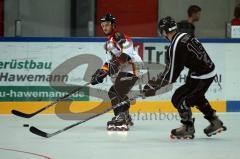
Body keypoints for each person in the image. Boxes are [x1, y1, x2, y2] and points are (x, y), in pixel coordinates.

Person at [143, 16, 226, 139]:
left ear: (164, 32)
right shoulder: (184, 36)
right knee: (195, 96)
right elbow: (176, 68)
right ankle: (215, 121)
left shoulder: (175, 46)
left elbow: (171, 76)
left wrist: (153, 87)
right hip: (203, 71)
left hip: (201, 75)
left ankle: (188, 128)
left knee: (180, 99)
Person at [90, 13, 143, 131]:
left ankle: (122, 116)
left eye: (107, 25)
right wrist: (100, 74)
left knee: (118, 90)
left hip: (132, 66)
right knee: (113, 91)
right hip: (125, 68)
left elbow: (127, 54)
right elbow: (108, 63)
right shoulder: (108, 44)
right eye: (103, 25)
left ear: (113, 25)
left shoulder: (119, 36)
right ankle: (123, 115)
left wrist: (114, 65)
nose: (104, 27)